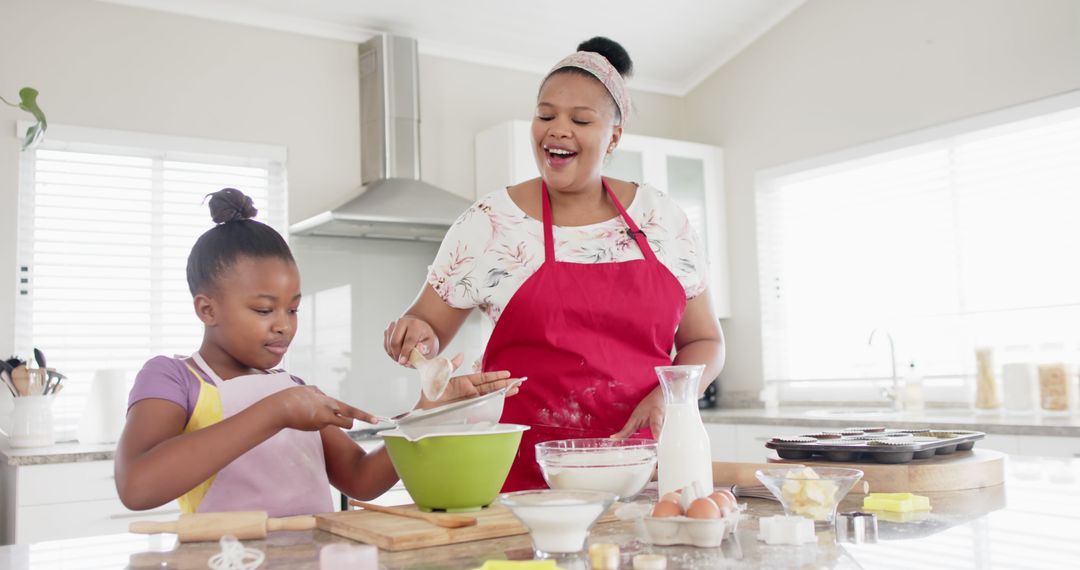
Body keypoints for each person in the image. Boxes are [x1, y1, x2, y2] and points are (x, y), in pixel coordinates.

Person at [384, 37, 725, 491]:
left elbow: (705, 341)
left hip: (647, 475)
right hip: (527, 484)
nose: (557, 129)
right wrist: (414, 336)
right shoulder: (491, 224)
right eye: (545, 115)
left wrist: (672, 396)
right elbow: (424, 331)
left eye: (580, 120)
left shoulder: (661, 220)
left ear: (614, 137)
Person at [115, 188, 516, 516]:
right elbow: (137, 486)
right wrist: (276, 411)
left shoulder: (294, 390)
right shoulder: (175, 377)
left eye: (293, 309)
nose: (284, 324)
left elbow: (361, 479)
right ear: (207, 309)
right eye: (263, 309)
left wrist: (427, 414)